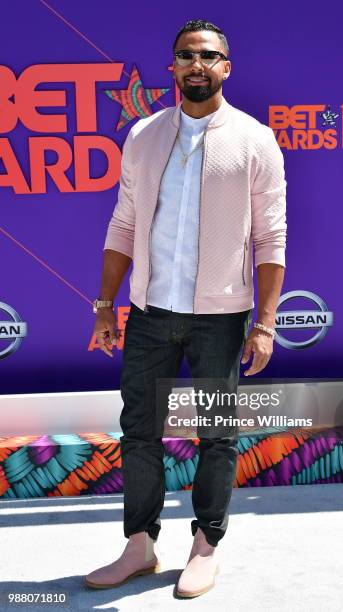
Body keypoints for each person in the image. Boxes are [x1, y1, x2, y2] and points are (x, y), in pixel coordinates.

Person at [84, 18, 287, 598]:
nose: (197, 65)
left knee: (217, 434)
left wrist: (266, 324)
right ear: (171, 67)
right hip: (149, 314)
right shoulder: (144, 135)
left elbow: (271, 238)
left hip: (221, 320)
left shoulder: (254, 140)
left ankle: (206, 545)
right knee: (139, 432)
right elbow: (122, 224)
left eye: (209, 56)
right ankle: (140, 547)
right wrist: (105, 305)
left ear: (227, 66)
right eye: (185, 56)